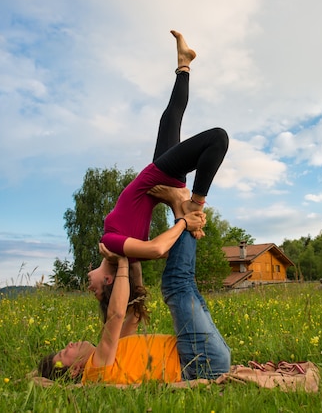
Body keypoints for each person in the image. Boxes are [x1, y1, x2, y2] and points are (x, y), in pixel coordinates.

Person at [87, 30, 228, 320]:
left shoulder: (124, 257)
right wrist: (185, 217)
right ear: (108, 281)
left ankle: (184, 64)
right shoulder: (112, 245)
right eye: (97, 291)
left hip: (157, 179)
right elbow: (158, 248)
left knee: (170, 117)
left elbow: (154, 256)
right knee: (217, 138)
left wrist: (126, 275)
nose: (90, 288)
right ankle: (196, 203)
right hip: (155, 178)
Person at [38, 191, 231, 384]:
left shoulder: (112, 352)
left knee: (181, 282)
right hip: (199, 361)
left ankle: (186, 212)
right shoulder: (95, 369)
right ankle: (186, 210)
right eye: (65, 352)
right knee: (177, 284)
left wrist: (133, 261)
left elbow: (135, 313)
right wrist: (122, 263)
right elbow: (116, 315)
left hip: (203, 356)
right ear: (74, 371)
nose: (69, 344)